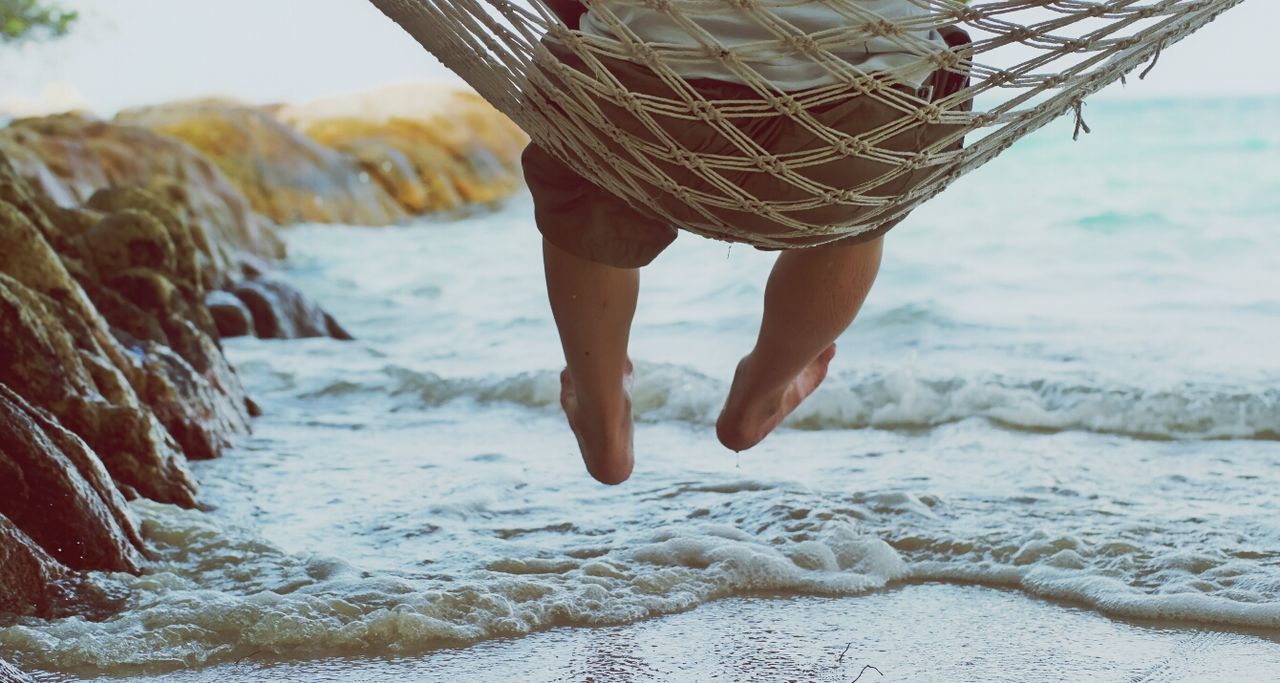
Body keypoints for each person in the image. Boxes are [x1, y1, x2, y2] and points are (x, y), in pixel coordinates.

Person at [524, 0, 964, 484]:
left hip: (641, 99)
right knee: (859, 207)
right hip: (860, 115)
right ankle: (764, 393)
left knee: (585, 191)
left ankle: (601, 413)